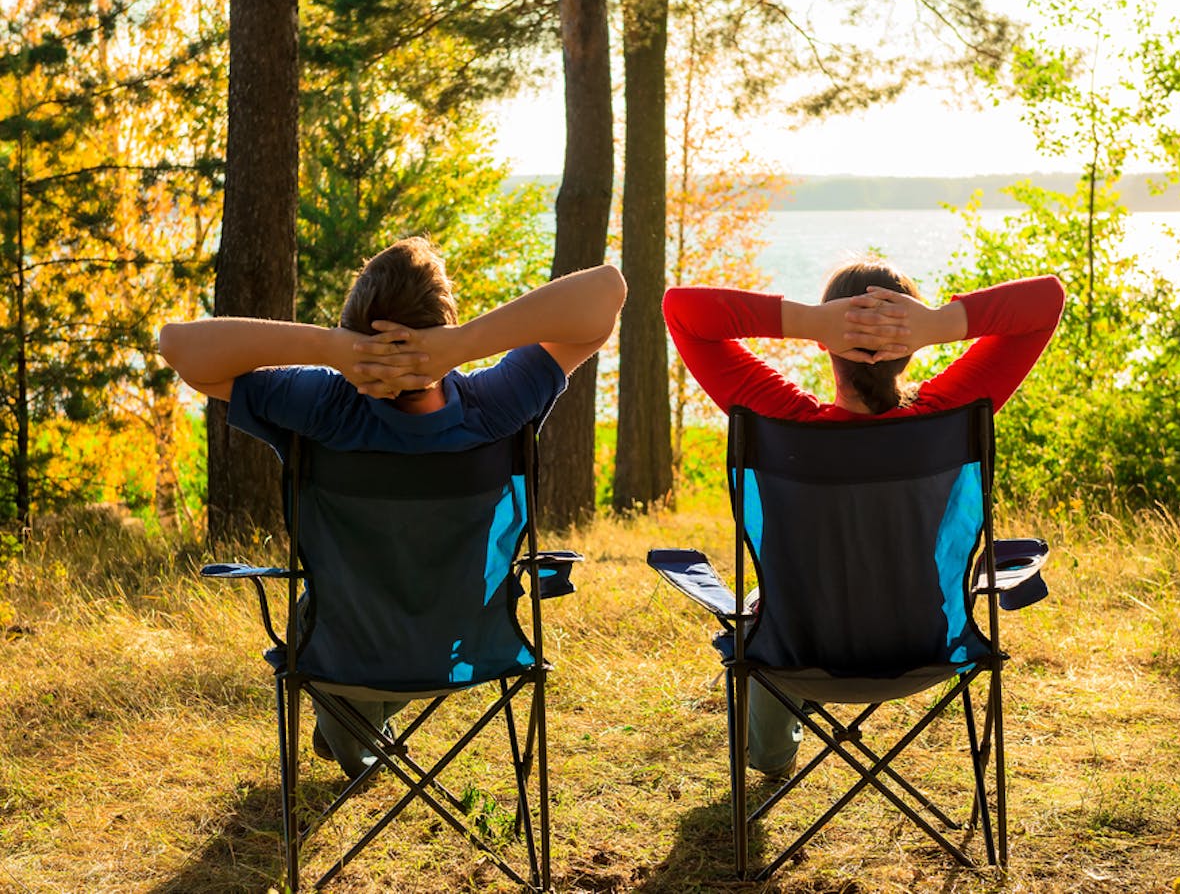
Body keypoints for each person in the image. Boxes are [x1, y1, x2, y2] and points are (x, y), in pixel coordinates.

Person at [159, 237, 626, 778]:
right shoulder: (496, 404)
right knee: (394, 628)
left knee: (331, 625)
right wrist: (466, 345)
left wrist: (332, 350)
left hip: (341, 652)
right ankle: (358, 732)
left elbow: (178, 348)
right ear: (443, 326)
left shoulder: (322, 409)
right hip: (466, 642)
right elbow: (605, 295)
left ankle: (355, 735)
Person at [662, 259, 1065, 779]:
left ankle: (771, 758)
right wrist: (938, 324)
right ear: (909, 347)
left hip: (796, 652)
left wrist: (808, 320)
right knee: (772, 609)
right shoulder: (948, 414)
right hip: (925, 648)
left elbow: (682, 311)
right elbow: (1045, 300)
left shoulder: (782, 419)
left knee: (761, 612)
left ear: (826, 343)